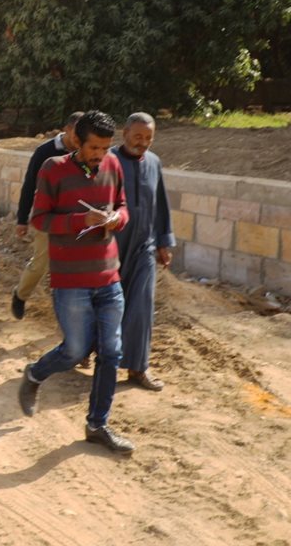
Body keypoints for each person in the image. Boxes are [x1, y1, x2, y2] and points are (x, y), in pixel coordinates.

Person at [18, 110, 134, 454]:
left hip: (108, 275)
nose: (100, 154)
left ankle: (97, 424)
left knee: (111, 352)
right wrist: (79, 220)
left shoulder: (113, 165)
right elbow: (40, 219)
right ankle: (35, 374)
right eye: (94, 147)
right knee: (74, 350)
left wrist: (117, 219)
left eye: (105, 148)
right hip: (70, 280)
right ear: (77, 142)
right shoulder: (53, 169)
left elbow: (123, 206)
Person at [113, 113, 175, 391]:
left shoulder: (154, 162)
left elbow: (160, 205)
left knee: (142, 306)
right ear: (125, 133)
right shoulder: (108, 160)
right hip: (111, 246)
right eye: (138, 136)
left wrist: (163, 242)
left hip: (143, 247)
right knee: (104, 304)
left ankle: (138, 368)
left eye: (148, 138)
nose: (143, 142)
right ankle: (85, 350)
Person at [11, 112, 83, 319]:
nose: (80, 138)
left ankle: (69, 310)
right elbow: (29, 185)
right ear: (67, 129)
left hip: (75, 217)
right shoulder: (45, 152)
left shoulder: (85, 151)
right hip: (47, 216)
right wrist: (22, 219)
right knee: (41, 263)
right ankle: (20, 295)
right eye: (77, 133)